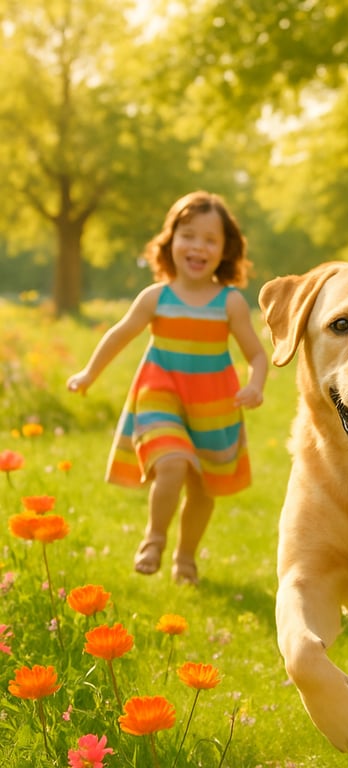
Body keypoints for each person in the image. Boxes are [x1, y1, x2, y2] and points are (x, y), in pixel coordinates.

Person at [67, 191, 268, 584]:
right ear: (171, 240)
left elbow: (257, 355)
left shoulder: (230, 303)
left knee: (203, 487)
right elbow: (120, 334)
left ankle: (186, 557)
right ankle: (154, 538)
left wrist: (256, 385)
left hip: (213, 406)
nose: (198, 246)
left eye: (210, 239)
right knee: (172, 463)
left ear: (225, 249)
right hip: (160, 395)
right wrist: (90, 373)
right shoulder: (156, 297)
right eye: (188, 235)